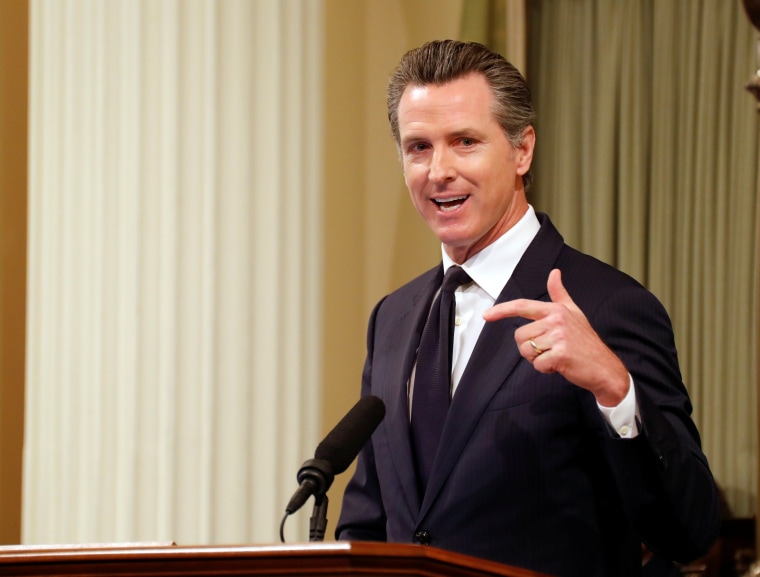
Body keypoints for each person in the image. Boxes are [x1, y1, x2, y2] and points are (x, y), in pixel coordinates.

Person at [335, 39, 720, 577]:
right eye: (418, 147)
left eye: (465, 141)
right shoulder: (393, 319)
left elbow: (689, 529)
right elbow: (369, 523)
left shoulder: (609, 305)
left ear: (522, 150)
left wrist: (615, 386)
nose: (438, 170)